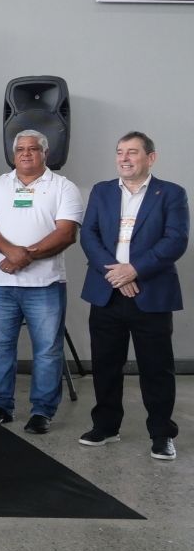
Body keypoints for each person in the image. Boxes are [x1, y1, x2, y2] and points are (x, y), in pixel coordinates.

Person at [79, 132, 188, 460]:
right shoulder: (102, 191)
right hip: (106, 292)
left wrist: (134, 270)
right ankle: (106, 426)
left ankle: (162, 434)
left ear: (150, 158)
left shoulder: (171, 193)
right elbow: (89, 235)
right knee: (105, 365)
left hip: (150, 292)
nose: (124, 158)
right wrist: (116, 274)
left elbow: (175, 240)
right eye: (120, 152)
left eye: (132, 152)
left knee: (157, 368)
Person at [0, 129, 84, 434]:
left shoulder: (63, 187)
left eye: (33, 148)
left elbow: (66, 233)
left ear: (45, 154)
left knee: (48, 351)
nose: (26, 153)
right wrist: (12, 252)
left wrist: (25, 256)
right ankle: (0, 406)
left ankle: (42, 412)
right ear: (13, 154)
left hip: (46, 286)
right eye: (20, 149)